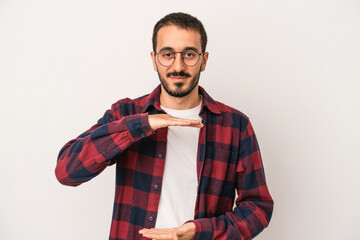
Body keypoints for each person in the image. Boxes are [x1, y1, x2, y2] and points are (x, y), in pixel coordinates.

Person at [55, 12, 274, 240]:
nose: (178, 66)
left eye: (189, 54)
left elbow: (258, 207)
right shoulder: (127, 114)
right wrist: (142, 125)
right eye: (167, 54)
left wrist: (200, 232)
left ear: (204, 60)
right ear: (154, 59)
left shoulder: (235, 125)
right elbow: (67, 171)